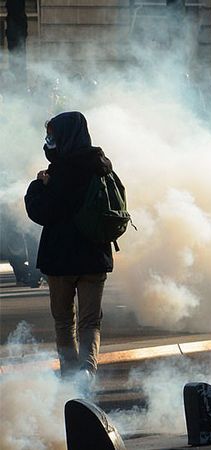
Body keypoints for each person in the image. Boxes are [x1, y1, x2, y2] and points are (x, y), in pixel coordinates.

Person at [24, 111, 115, 390]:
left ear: (63, 136)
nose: (49, 140)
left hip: (61, 259)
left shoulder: (59, 172)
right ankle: (87, 372)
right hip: (94, 257)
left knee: (64, 321)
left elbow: (42, 211)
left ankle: (70, 376)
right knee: (90, 322)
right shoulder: (102, 166)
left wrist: (36, 187)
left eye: (52, 134)